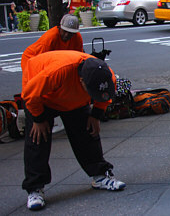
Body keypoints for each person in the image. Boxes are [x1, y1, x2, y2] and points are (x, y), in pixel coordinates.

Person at [22, 51, 126, 211]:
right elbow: (30, 94)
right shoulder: (56, 72)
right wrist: (38, 118)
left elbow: (106, 96)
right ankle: (35, 188)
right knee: (38, 138)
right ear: (81, 81)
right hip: (42, 97)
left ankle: (99, 176)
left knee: (88, 132)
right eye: (93, 92)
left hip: (74, 100)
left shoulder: (105, 75)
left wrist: (96, 115)